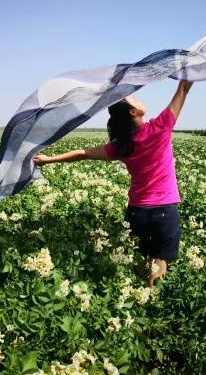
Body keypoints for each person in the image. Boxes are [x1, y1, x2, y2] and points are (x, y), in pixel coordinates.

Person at [33, 80, 194, 288]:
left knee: (140, 260)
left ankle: (134, 295)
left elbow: (83, 154)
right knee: (159, 264)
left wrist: (49, 159)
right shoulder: (159, 127)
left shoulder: (121, 146)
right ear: (132, 112)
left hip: (137, 213)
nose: (137, 97)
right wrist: (192, 69)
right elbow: (183, 88)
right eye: (132, 98)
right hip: (164, 210)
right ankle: (150, 301)